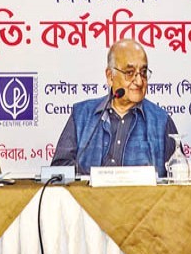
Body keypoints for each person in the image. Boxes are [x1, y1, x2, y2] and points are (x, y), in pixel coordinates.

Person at [51, 39, 177, 176]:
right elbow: (59, 170)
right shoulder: (81, 115)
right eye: (130, 73)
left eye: (143, 72)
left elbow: (178, 177)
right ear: (110, 76)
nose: (139, 81)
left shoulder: (161, 121)